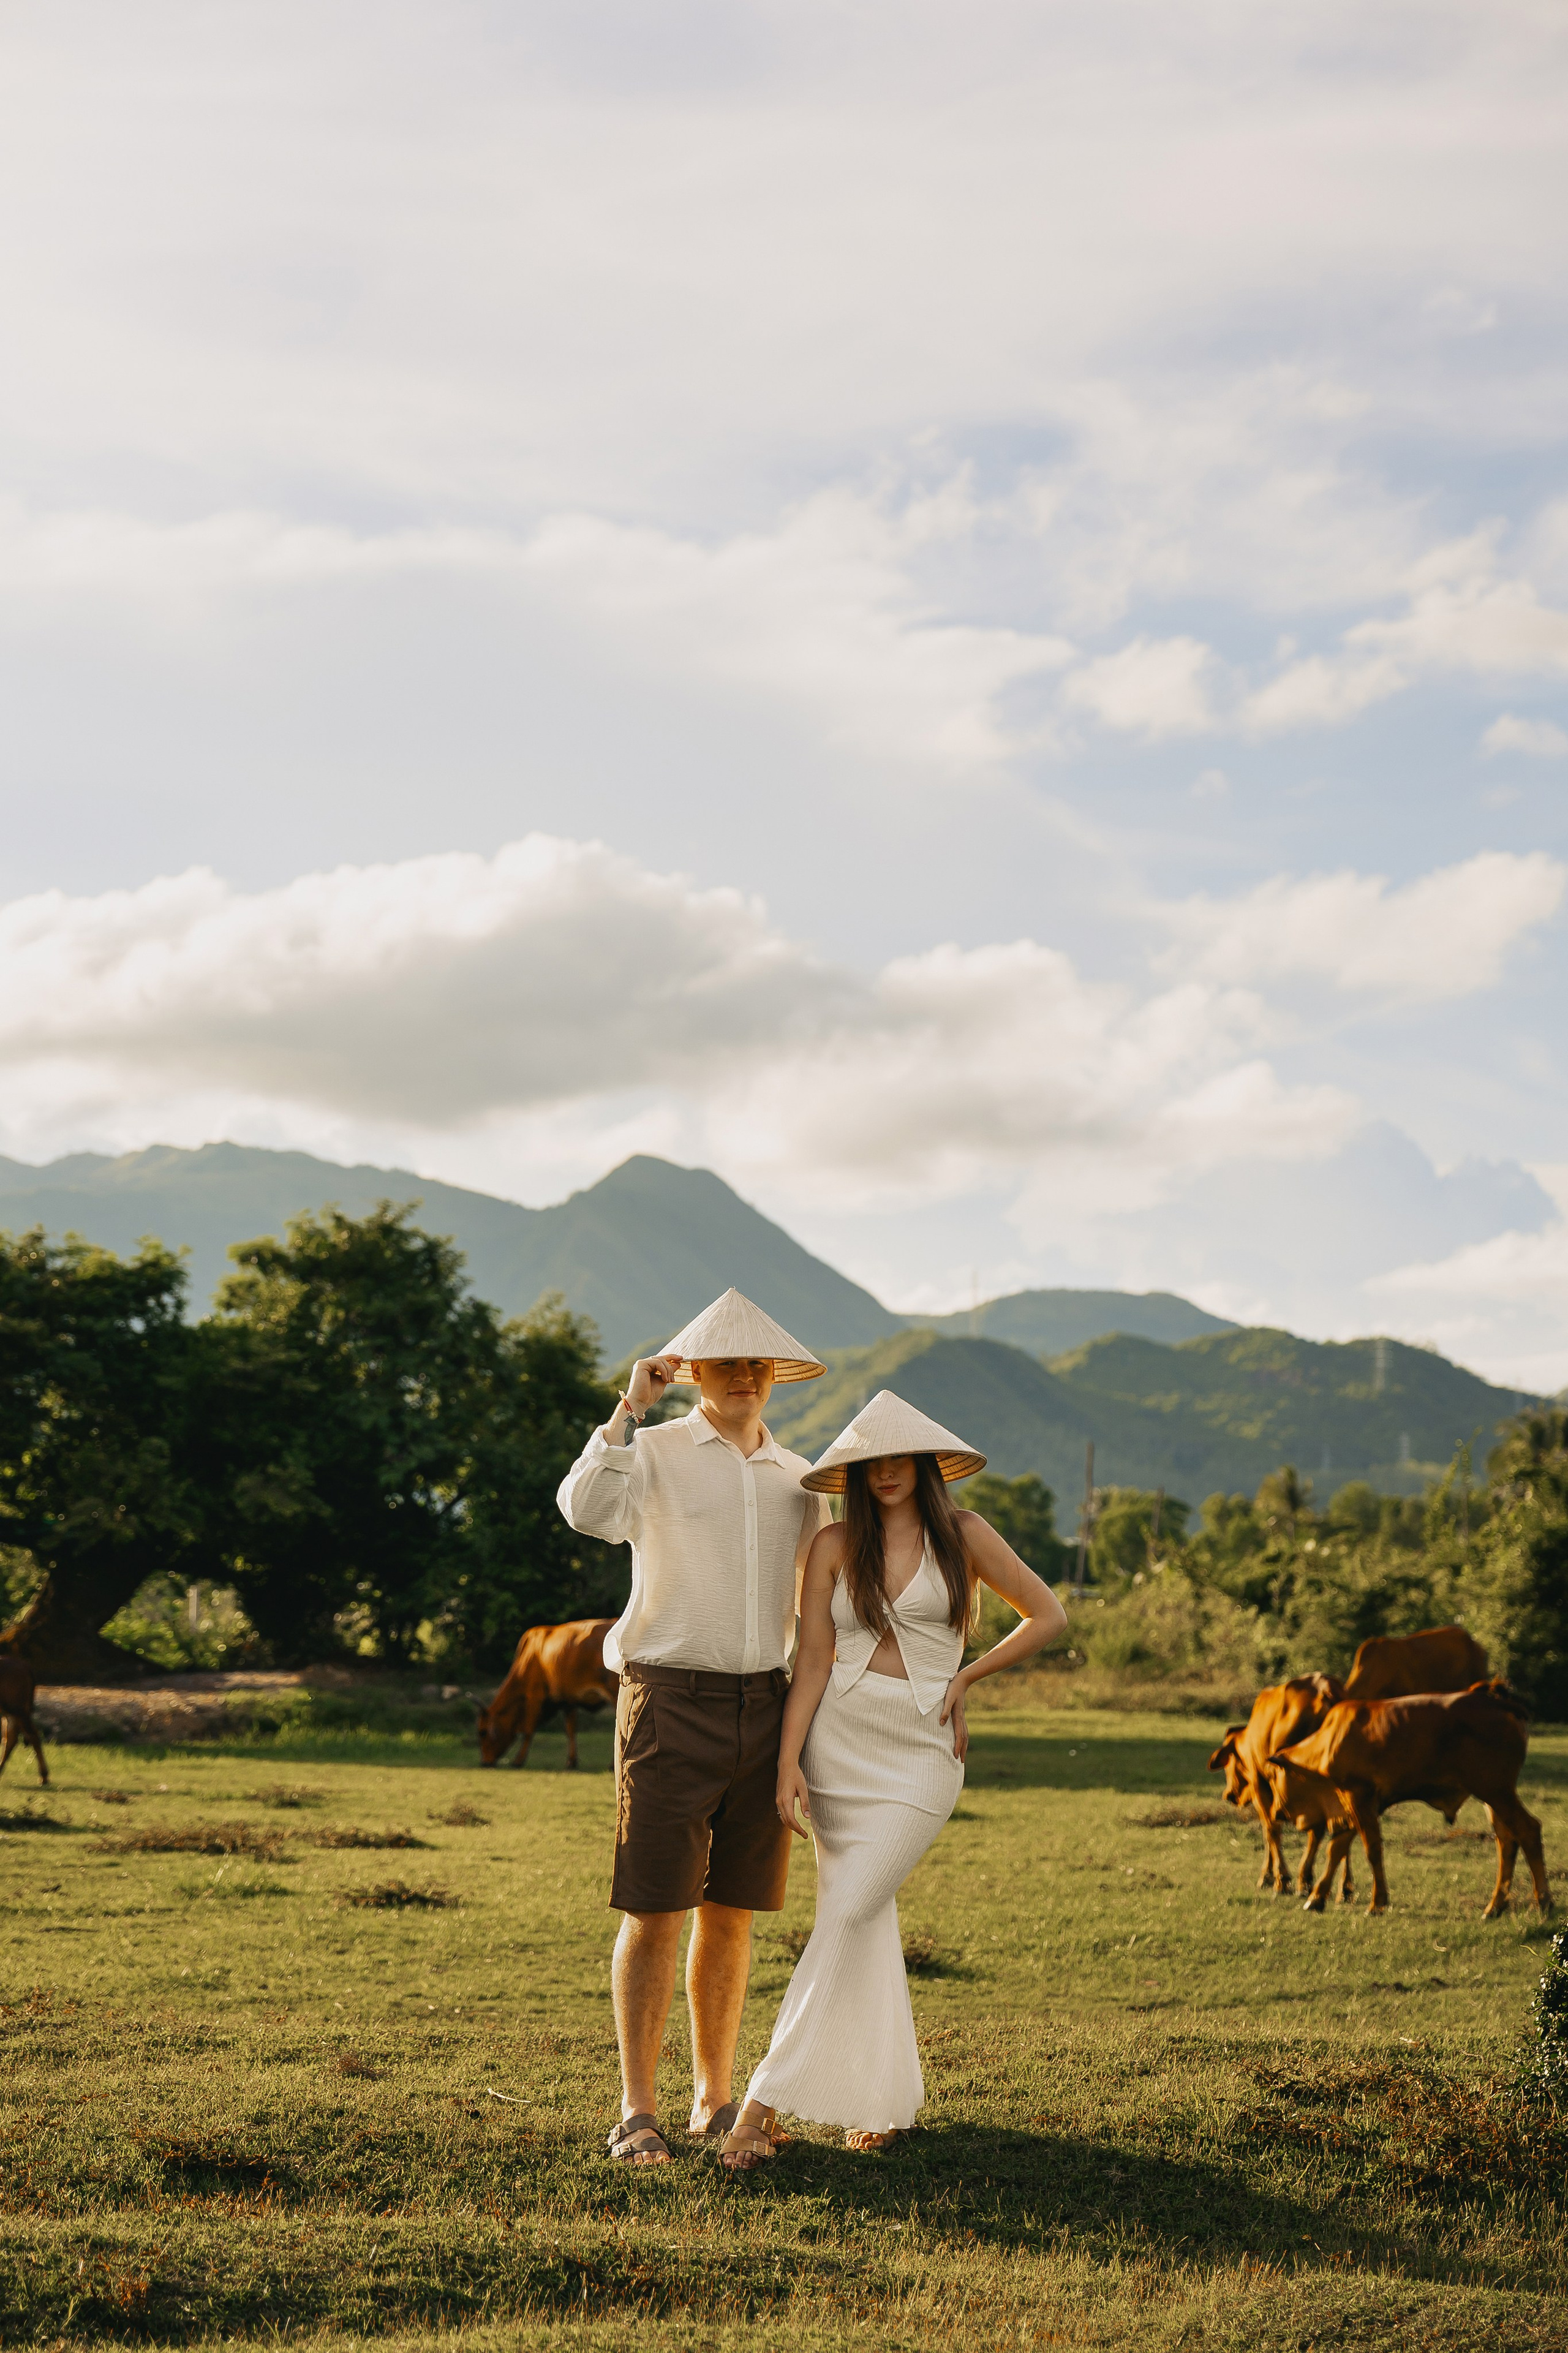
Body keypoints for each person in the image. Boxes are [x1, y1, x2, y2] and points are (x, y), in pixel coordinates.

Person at [716, 1389, 1067, 2170]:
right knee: (860, 1919)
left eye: (898, 1459)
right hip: (835, 1744)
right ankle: (881, 2102)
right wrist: (786, 1761)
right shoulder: (836, 1545)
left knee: (845, 1917)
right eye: (869, 1462)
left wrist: (967, 1677)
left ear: (925, 1464)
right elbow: (811, 1660)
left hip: (920, 1752)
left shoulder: (965, 1534)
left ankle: (759, 2106)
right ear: (855, 1472)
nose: (884, 1474)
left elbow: (1048, 1616)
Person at [556, 1286, 831, 2166]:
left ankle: (714, 2097)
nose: (745, 1374)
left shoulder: (801, 1480)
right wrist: (628, 1408)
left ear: (775, 1376)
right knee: (656, 1906)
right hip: (668, 1701)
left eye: (758, 1362)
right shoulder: (656, 1449)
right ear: (694, 1371)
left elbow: (818, 1610)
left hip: (769, 1705)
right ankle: (637, 2110)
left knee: (734, 1912)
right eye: (726, 1362)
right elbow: (584, 1513)